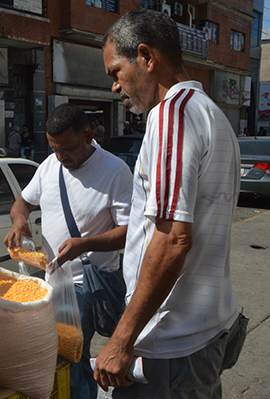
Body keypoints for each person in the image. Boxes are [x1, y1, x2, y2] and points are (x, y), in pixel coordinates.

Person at [96, 9, 248, 397]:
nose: (115, 87)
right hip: (204, 334)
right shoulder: (212, 115)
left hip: (172, 345)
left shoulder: (172, 118)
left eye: (116, 72)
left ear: (146, 57)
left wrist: (121, 339)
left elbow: (172, 240)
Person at [4, 103, 133, 399]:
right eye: (55, 148)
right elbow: (22, 203)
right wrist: (19, 220)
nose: (62, 157)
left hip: (88, 284)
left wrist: (85, 244)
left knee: (70, 359)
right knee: (68, 359)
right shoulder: (50, 166)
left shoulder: (115, 171)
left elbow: (129, 233)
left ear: (89, 136)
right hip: (54, 281)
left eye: (68, 148)